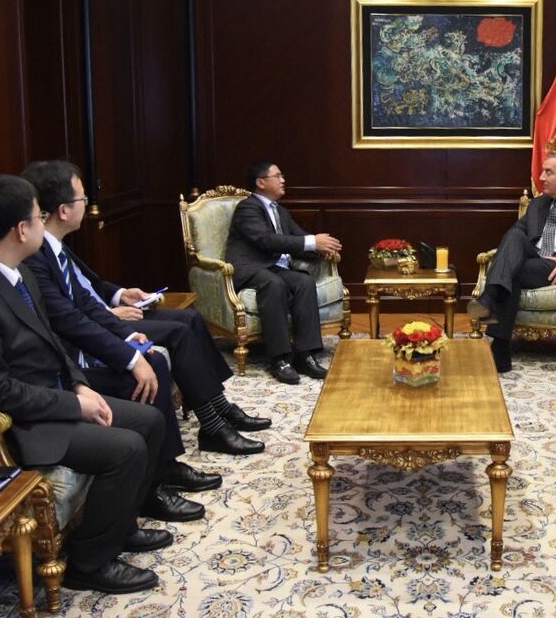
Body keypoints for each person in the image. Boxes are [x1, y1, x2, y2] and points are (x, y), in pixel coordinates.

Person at [0, 175, 165, 594]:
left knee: (149, 420)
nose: (44, 224)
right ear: (22, 230)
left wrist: (79, 386)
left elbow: (52, 341)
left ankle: (119, 527)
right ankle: (89, 564)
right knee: (125, 448)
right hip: (11, 425)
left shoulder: (15, 272)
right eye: (39, 217)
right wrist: (73, 406)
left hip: (50, 397)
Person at [21, 161, 268, 474]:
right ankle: (192, 444)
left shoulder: (55, 248)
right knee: (167, 345)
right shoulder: (35, 257)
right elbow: (68, 318)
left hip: (102, 321)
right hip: (79, 350)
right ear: (64, 210)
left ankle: (218, 411)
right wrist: (124, 340)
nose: (87, 203)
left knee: (190, 320)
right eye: (83, 198)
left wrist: (119, 296)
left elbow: (87, 290)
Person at [467, 151, 556, 373]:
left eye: (548, 172)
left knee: (512, 272)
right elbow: (514, 238)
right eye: (543, 171)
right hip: (535, 260)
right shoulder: (537, 204)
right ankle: (497, 330)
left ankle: (496, 325)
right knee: (515, 236)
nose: (541, 177)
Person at [225, 161, 342, 384]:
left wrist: (323, 249)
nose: (283, 180)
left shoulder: (281, 211)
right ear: (261, 183)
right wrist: (313, 242)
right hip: (249, 267)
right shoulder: (248, 208)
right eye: (277, 176)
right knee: (273, 284)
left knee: (304, 282)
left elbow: (298, 239)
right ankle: (280, 359)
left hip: (274, 268)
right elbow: (265, 240)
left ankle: (305, 355)